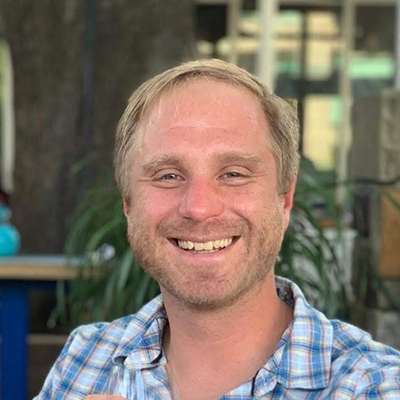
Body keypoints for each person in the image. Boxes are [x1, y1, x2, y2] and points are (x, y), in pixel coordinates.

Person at [35, 59, 400, 400]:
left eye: (233, 174)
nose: (199, 207)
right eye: (169, 175)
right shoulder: (84, 361)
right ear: (128, 203)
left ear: (285, 199)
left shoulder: (375, 385)